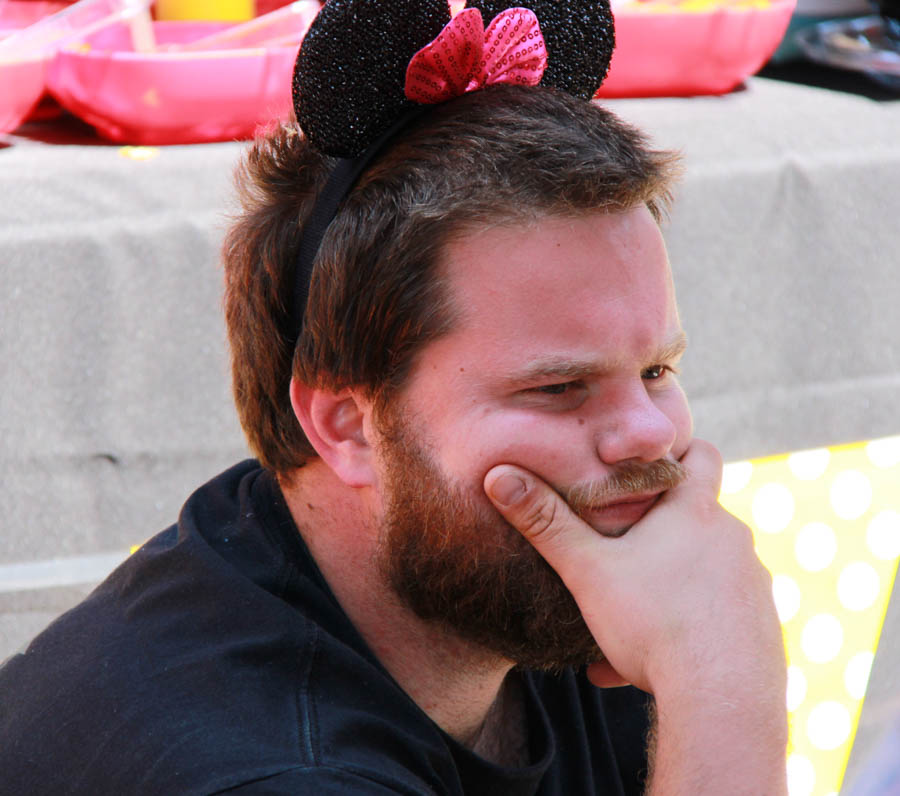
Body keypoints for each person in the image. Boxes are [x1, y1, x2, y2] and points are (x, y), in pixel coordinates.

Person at [0, 0, 788, 793]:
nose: (646, 434)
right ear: (347, 426)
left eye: (656, 371)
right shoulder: (265, 769)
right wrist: (722, 685)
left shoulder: (532, 586)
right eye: (557, 387)